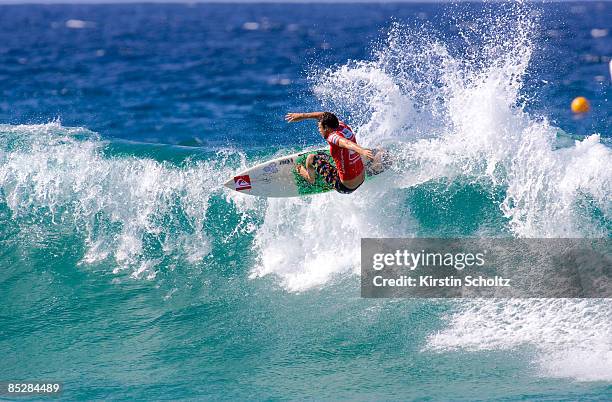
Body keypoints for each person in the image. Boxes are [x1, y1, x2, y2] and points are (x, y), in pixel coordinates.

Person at [285, 111, 374, 194]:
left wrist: (362, 150)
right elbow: (325, 115)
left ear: (326, 128)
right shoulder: (342, 126)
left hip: (345, 187)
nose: (319, 130)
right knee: (341, 152)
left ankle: (310, 178)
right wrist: (302, 116)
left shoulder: (332, 137)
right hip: (362, 178)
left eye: (319, 127)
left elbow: (346, 143)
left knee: (311, 158)